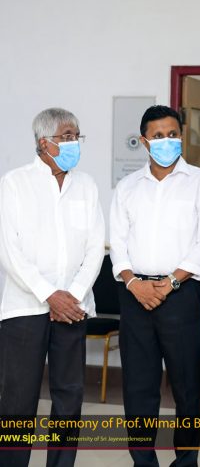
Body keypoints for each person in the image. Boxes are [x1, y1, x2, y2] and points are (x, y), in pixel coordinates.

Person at [109, 105, 200, 467]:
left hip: (181, 296)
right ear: (144, 142)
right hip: (135, 296)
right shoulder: (127, 187)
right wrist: (133, 283)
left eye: (173, 134)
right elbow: (117, 243)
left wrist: (170, 282)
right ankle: (143, 461)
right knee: (139, 388)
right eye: (158, 136)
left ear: (181, 136)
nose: (166, 141)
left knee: (187, 388)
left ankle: (186, 460)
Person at [0, 108, 105, 467]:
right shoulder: (14, 184)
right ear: (45, 143)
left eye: (77, 135)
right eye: (67, 136)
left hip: (73, 308)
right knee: (18, 401)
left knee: (69, 399)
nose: (75, 142)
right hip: (25, 308)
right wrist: (49, 294)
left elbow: (95, 247)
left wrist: (72, 294)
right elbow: (9, 251)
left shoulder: (86, 186)